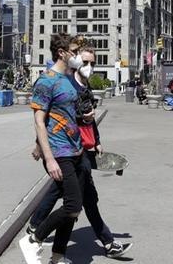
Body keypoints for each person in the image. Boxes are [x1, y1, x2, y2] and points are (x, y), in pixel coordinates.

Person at [28, 46, 133, 259]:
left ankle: (51, 245)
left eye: (92, 63)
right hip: (66, 150)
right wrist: (42, 147)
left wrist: (97, 140)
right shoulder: (64, 82)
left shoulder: (82, 87)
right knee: (74, 202)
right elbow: (47, 118)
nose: (89, 67)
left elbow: (86, 118)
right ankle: (36, 234)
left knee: (81, 199)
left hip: (79, 149)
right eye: (85, 62)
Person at [19, 34, 86, 264]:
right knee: (73, 206)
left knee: (71, 210)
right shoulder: (46, 81)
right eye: (74, 51)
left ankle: (57, 257)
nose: (77, 56)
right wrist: (49, 158)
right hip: (59, 152)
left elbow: (67, 113)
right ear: (62, 53)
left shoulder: (68, 78)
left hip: (76, 150)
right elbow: (39, 121)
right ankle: (33, 239)